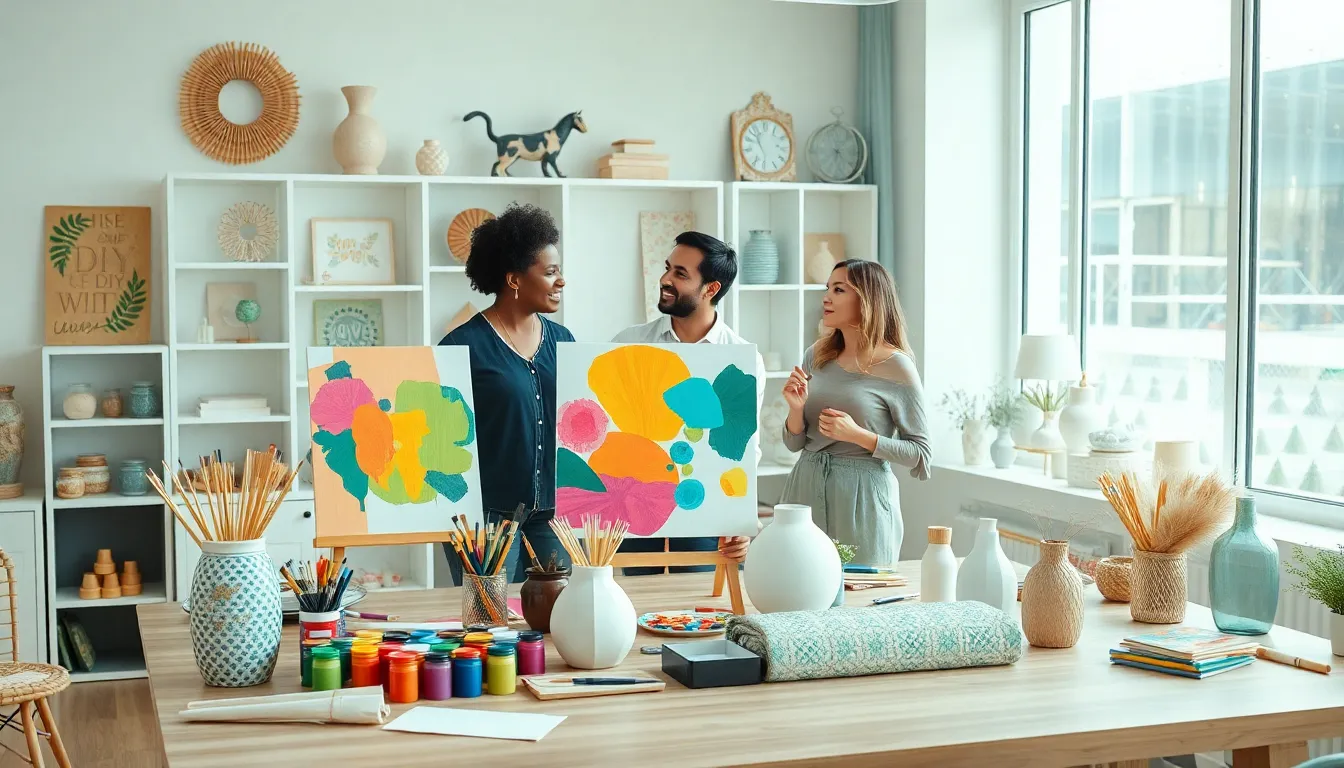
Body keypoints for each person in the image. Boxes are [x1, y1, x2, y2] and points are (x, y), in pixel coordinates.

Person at [612, 231, 763, 573]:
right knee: (638, 599)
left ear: (711, 289)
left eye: (681, 274)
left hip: (704, 499)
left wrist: (739, 518)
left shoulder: (740, 360)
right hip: (637, 496)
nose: (665, 279)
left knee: (696, 605)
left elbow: (744, 446)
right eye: (668, 268)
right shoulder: (628, 344)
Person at [439, 203, 573, 583]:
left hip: (553, 511)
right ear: (514, 280)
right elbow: (440, 443)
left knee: (556, 620)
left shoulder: (565, 342)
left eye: (559, 271)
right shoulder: (460, 346)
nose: (560, 280)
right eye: (550, 272)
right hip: (485, 516)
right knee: (490, 622)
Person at [779, 259, 930, 567]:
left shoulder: (896, 366)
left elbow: (921, 455)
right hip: (804, 486)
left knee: (861, 600)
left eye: (839, 289)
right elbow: (795, 444)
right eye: (827, 289)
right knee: (797, 597)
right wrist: (795, 411)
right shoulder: (816, 355)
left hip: (862, 498)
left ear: (867, 299)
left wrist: (858, 436)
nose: (826, 297)